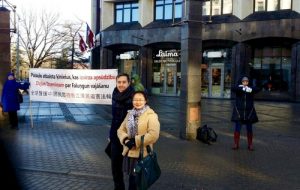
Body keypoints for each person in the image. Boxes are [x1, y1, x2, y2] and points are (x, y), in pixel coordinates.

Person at [117, 91, 160, 190]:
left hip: (142, 155)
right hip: (129, 153)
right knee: (132, 181)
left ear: (145, 101)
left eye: (140, 99)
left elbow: (154, 135)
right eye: (135, 99)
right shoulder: (130, 114)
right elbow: (120, 130)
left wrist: (135, 141)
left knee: (138, 183)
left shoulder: (151, 115)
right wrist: (125, 140)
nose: (138, 102)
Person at [110, 73, 135, 190]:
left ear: (129, 83)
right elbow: (114, 118)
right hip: (115, 137)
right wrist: (110, 135)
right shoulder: (114, 94)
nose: (121, 84)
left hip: (130, 138)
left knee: (132, 169)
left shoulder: (134, 97)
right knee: (115, 166)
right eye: (119, 82)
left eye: (124, 82)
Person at [231, 76, 259, 151]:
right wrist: (242, 88)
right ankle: (236, 144)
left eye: (246, 81)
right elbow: (233, 88)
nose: (245, 83)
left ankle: (250, 144)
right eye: (244, 81)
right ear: (241, 82)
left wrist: (248, 89)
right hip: (239, 112)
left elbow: (257, 89)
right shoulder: (239, 88)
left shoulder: (250, 89)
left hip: (249, 112)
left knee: (249, 130)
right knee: (237, 129)